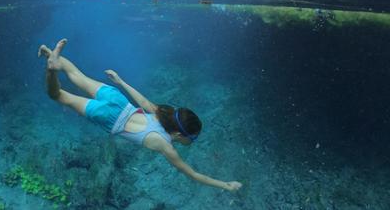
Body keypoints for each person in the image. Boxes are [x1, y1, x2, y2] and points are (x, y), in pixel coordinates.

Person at [38, 39, 243, 192]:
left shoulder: (162, 113)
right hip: (109, 117)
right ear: (180, 135)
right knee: (58, 95)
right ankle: (51, 70)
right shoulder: (166, 145)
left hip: (118, 100)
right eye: (193, 139)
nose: (193, 142)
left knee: (77, 75)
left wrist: (120, 81)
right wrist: (226, 185)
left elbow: (142, 102)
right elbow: (192, 174)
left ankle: (54, 58)